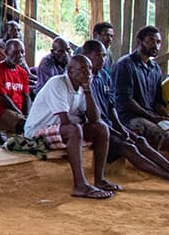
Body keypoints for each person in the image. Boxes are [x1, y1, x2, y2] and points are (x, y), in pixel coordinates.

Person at [80, 40, 169, 187]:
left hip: (112, 125)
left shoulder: (103, 76)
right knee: (130, 146)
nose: (103, 59)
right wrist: (119, 131)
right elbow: (99, 114)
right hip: (98, 128)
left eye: (104, 56)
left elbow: (112, 107)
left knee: (140, 141)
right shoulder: (83, 80)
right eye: (98, 56)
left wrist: (122, 130)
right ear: (86, 56)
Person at [23, 55, 114, 199]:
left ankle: (99, 179)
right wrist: (80, 118)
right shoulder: (57, 83)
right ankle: (80, 185)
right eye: (83, 69)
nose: (88, 73)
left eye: (90, 69)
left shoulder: (81, 87)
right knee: (74, 129)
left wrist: (88, 90)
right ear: (70, 70)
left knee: (101, 128)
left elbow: (95, 118)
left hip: (60, 131)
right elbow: (65, 120)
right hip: (36, 133)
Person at [111, 26, 169, 168]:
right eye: (151, 41)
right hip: (129, 117)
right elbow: (125, 101)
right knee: (161, 133)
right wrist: (153, 118)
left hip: (149, 115)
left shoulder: (155, 69)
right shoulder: (125, 64)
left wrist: (165, 116)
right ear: (139, 41)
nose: (156, 45)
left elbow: (157, 101)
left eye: (158, 42)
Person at [0, 39, 31, 135]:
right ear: (6, 53)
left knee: (34, 122)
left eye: (22, 52)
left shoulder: (22, 72)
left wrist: (27, 114)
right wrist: (20, 114)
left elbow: (26, 96)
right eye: (15, 53)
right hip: (2, 111)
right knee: (25, 125)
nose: (19, 56)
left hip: (18, 112)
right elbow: (2, 98)